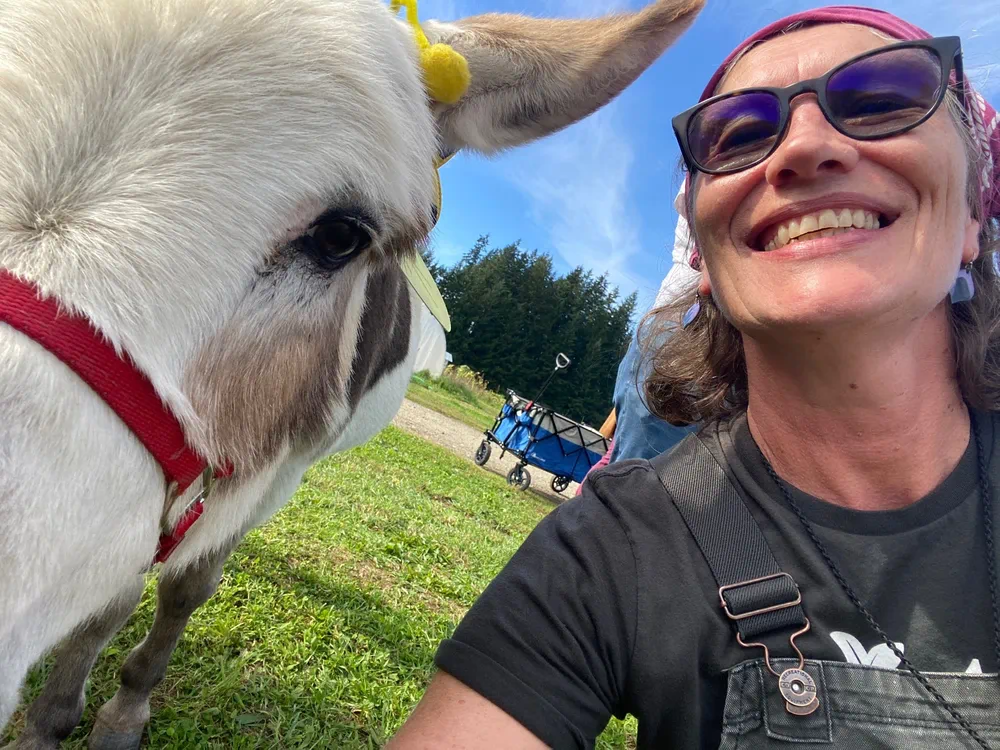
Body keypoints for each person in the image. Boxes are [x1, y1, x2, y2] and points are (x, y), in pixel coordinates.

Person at [388, 5, 1000, 748]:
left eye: (879, 100)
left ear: (975, 213)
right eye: (739, 136)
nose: (802, 148)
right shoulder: (613, 552)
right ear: (701, 256)